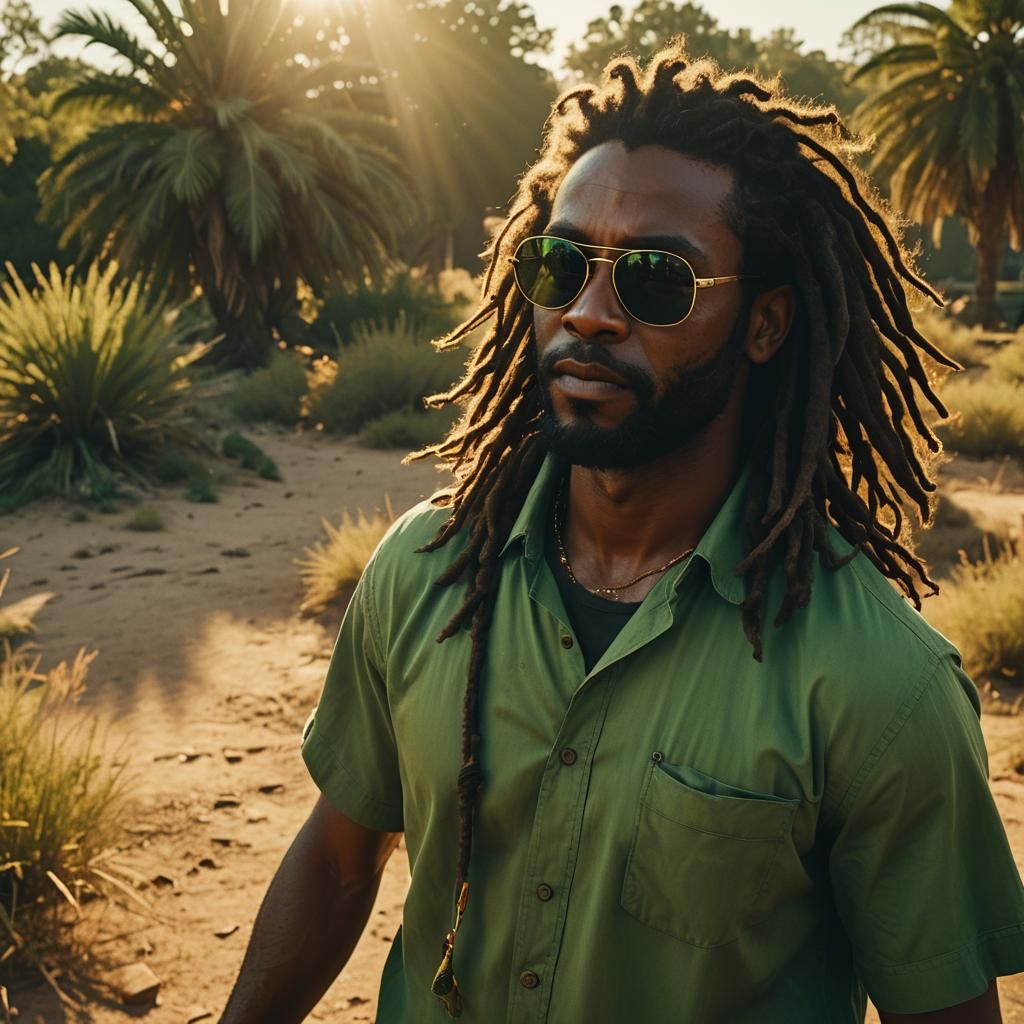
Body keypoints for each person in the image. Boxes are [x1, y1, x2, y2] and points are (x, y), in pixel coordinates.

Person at [221, 45, 1024, 1023]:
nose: (587, 315)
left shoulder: (877, 686)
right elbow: (340, 859)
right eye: (558, 265)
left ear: (764, 324)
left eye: (653, 281)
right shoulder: (424, 571)